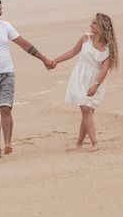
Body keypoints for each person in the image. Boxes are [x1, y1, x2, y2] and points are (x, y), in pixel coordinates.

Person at [0, 0, 53, 158]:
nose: (1, 12)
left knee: (5, 107)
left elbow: (24, 44)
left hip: (6, 73)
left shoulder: (5, 26)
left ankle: (7, 143)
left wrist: (44, 59)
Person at [50, 13, 119, 151]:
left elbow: (104, 69)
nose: (90, 25)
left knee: (87, 113)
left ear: (101, 26)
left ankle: (79, 144)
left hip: (96, 81)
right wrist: (56, 60)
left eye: (94, 23)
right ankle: (94, 143)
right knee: (85, 109)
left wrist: (95, 85)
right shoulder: (85, 38)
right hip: (80, 78)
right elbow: (72, 52)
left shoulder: (108, 47)